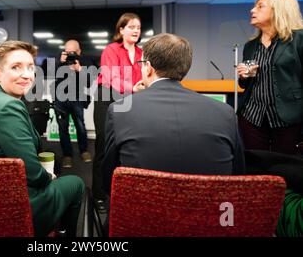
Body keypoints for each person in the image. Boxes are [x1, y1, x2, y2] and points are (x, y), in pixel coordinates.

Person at [102, 33, 246, 195]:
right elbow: (239, 176)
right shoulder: (225, 113)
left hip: (142, 216)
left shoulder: (120, 110)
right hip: (210, 216)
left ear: (148, 67)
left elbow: (109, 179)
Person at [0, 41, 85, 237]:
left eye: (30, 67)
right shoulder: (8, 107)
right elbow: (32, 173)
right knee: (76, 183)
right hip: (9, 206)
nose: (27, 74)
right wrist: (48, 177)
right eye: (16, 67)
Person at [237, 0, 303, 155]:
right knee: (255, 168)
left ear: (278, 11)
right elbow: (244, 84)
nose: (252, 10)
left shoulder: (298, 39)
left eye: (260, 7)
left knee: (287, 167)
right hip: (252, 117)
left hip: (289, 118)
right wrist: (245, 75)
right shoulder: (250, 45)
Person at [92, 12, 143, 208]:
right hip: (107, 98)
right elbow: (110, 78)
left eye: (138, 28)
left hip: (129, 99)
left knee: (125, 146)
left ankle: (121, 191)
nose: (135, 31)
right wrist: (134, 87)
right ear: (121, 30)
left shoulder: (140, 53)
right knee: (104, 146)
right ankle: (98, 194)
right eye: (131, 27)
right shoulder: (111, 49)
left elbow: (142, 78)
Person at [54, 39, 93, 168]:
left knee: (80, 126)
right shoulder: (60, 61)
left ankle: (84, 150)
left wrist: (79, 69)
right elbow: (50, 74)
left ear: (79, 51)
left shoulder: (85, 62)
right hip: (61, 99)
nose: (70, 55)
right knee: (62, 128)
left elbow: (89, 82)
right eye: (67, 52)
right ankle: (67, 155)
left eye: (73, 52)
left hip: (77, 98)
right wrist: (60, 63)